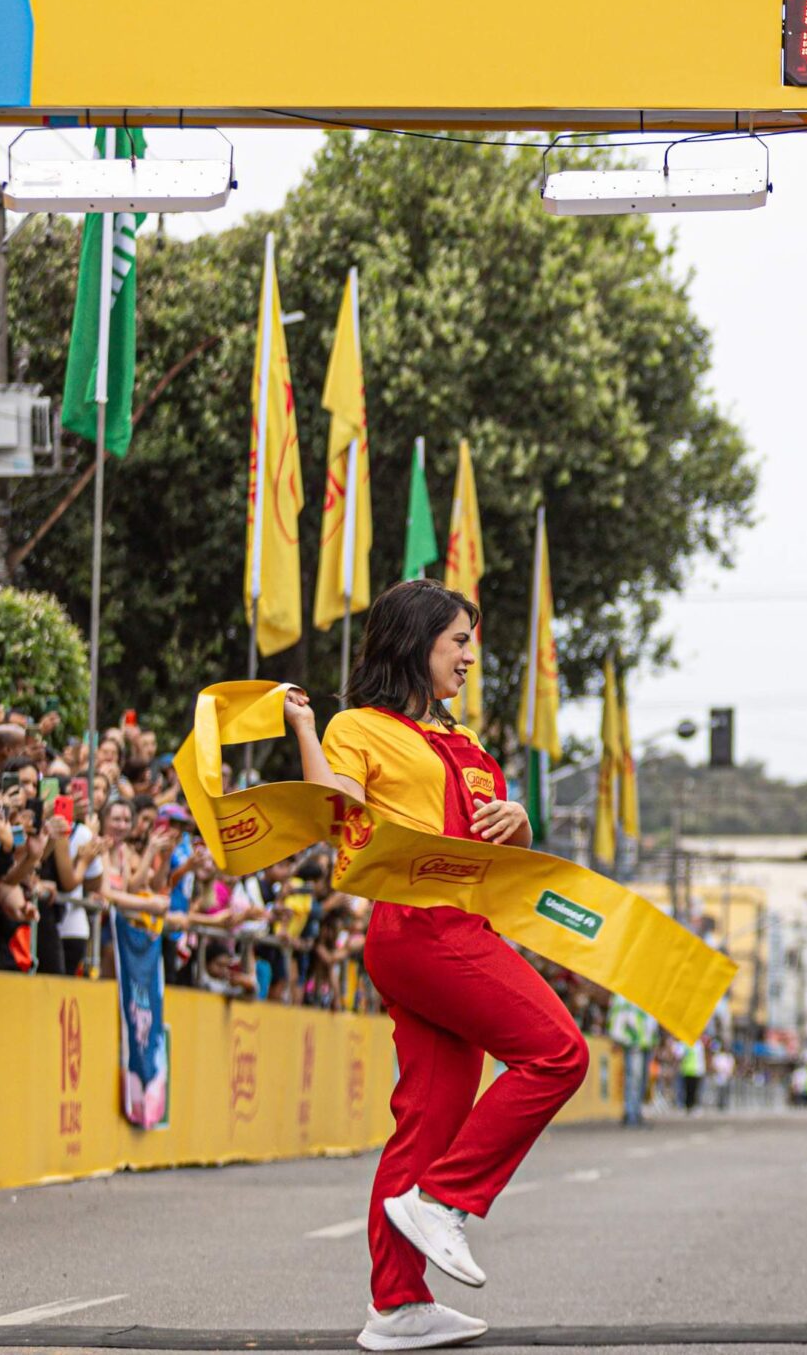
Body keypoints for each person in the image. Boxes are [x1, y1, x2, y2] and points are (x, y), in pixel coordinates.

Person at [286, 579, 589, 1354]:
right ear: (416, 641)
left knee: (428, 1115)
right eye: (458, 640)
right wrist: (304, 728)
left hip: (460, 920)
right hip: (422, 924)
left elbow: (493, 855)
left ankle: (397, 1304)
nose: (468, 654)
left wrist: (518, 821)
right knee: (559, 1051)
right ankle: (448, 1200)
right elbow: (335, 815)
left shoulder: (468, 743)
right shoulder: (362, 727)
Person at [610, 996, 659, 1127]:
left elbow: (652, 1020)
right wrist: (617, 1038)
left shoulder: (649, 995)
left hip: (646, 1043)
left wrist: (654, 1040)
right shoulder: (624, 995)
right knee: (633, 1079)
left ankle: (637, 1112)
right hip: (632, 1042)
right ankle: (630, 1114)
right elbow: (617, 1016)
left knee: (642, 1079)